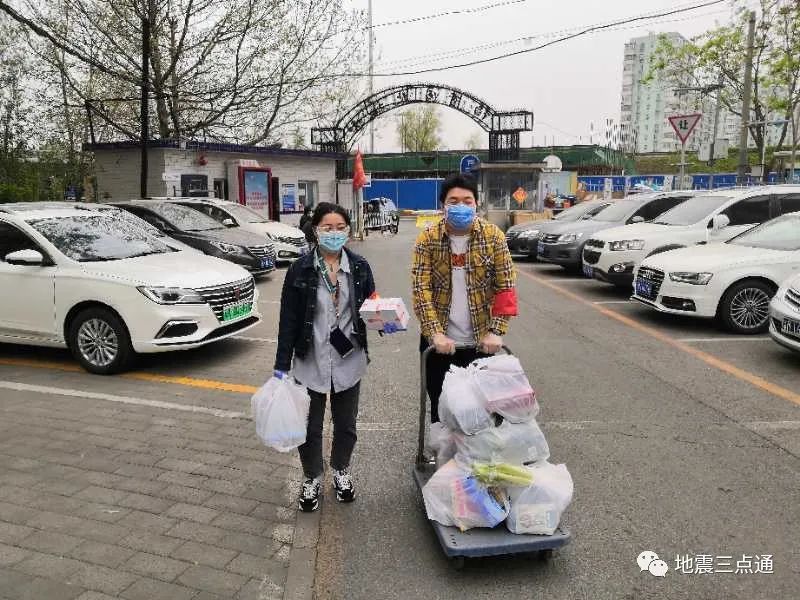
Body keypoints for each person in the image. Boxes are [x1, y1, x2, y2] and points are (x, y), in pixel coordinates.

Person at [275, 202, 383, 512]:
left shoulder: (360, 267)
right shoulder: (300, 269)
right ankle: (312, 476)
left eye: (340, 228)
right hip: (310, 360)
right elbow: (288, 319)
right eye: (327, 228)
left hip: (349, 359)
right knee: (309, 427)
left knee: (346, 425)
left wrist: (384, 321)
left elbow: (372, 308)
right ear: (315, 230)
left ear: (348, 231)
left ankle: (340, 471)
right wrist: (281, 365)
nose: (334, 234)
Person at [411, 173, 517, 425]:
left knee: (482, 411)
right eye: (454, 201)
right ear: (443, 206)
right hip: (439, 344)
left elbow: (506, 286)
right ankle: (443, 446)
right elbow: (421, 289)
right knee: (441, 408)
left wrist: (496, 331)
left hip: (482, 342)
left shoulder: (493, 237)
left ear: (476, 204)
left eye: (467, 201)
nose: (461, 206)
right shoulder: (428, 239)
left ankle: (479, 449)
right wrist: (435, 333)